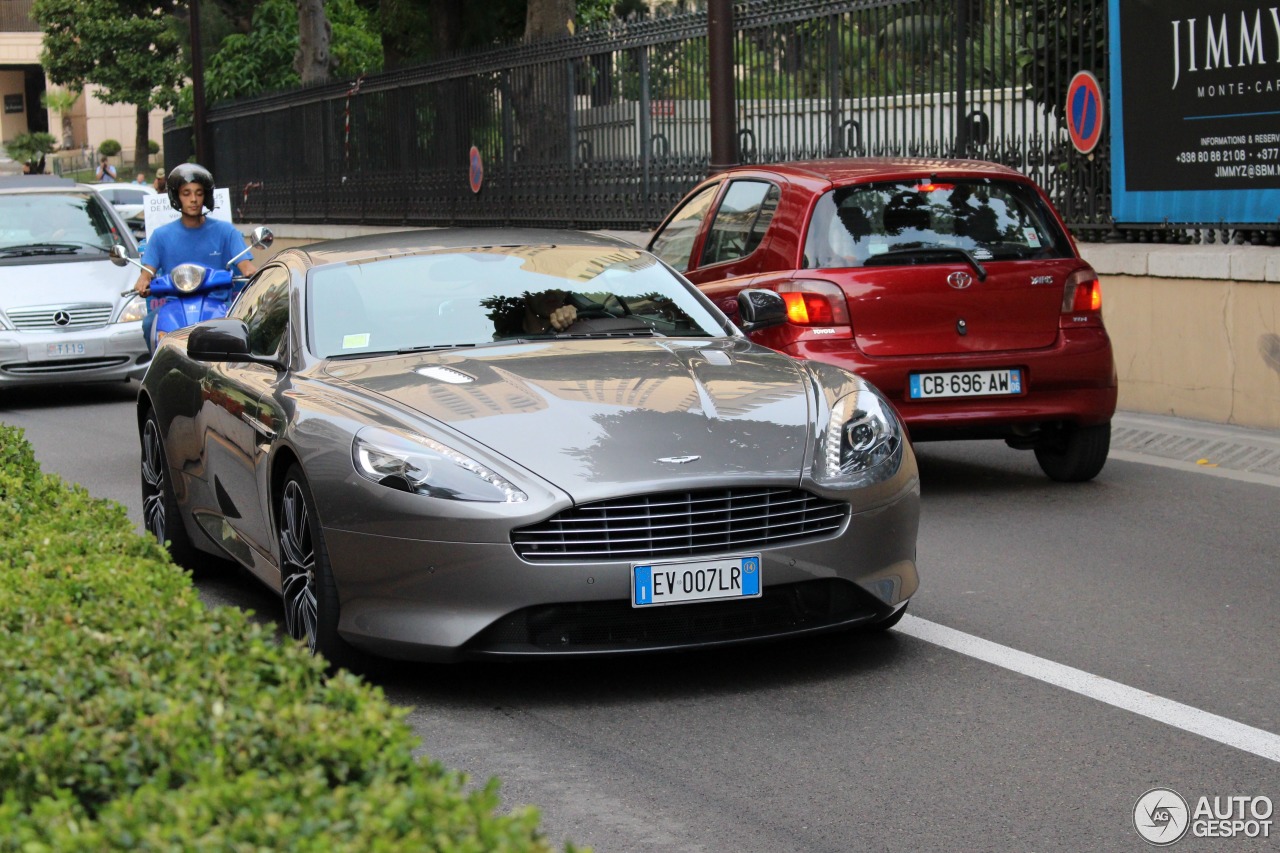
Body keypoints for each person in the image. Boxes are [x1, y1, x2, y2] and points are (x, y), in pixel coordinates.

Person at [132, 163, 258, 340]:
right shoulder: (161, 236)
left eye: (199, 193)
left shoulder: (226, 231)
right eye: (186, 193)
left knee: (250, 326)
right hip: (174, 305)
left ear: (206, 197)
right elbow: (147, 272)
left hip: (219, 305)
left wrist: (252, 273)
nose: (193, 199)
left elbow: (246, 266)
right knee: (149, 325)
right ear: (176, 197)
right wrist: (143, 281)